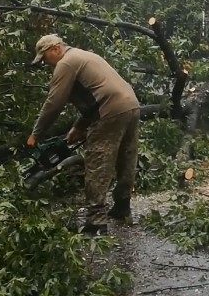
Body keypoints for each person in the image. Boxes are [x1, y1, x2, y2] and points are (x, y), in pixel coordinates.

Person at [27, 34, 141, 234]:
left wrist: (35, 134)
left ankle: (96, 221)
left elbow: (54, 103)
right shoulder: (84, 55)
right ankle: (122, 206)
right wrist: (79, 127)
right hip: (130, 105)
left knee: (97, 161)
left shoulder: (66, 62)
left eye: (45, 58)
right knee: (126, 157)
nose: (46, 63)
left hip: (109, 110)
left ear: (55, 48)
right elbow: (97, 95)